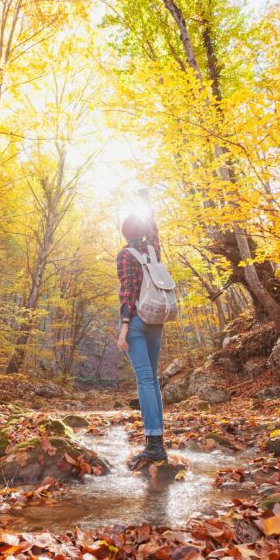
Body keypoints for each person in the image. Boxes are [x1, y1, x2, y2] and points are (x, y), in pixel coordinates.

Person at [116, 198, 167, 468]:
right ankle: (158, 443)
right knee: (154, 381)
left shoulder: (126, 255)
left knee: (145, 381)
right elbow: (155, 233)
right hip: (156, 320)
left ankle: (153, 447)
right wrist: (148, 205)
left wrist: (124, 326)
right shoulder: (152, 250)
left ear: (125, 233)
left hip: (136, 319)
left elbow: (128, 291)